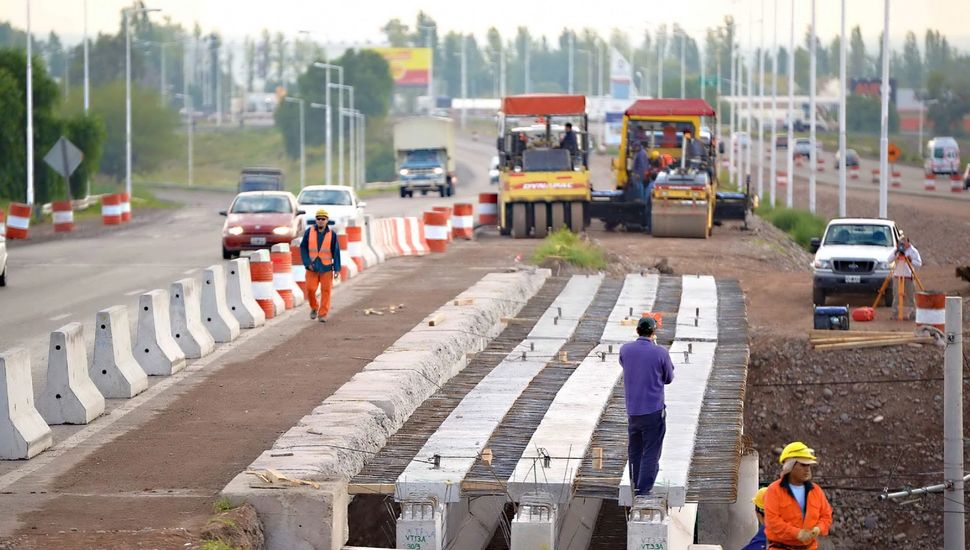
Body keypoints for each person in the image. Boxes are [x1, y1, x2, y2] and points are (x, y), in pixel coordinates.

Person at [619, 316, 675, 497]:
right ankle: (643, 491)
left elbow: (624, 363)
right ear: (653, 332)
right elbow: (668, 378)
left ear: (637, 331)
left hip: (633, 411)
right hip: (653, 411)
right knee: (651, 451)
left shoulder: (625, 350)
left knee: (635, 450)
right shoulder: (660, 353)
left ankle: (635, 484)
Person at [763, 442, 833, 550]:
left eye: (809, 465)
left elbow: (826, 516)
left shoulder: (816, 491)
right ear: (790, 466)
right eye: (803, 464)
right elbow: (773, 521)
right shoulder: (774, 490)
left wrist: (819, 528)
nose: (807, 469)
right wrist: (797, 533)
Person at [299, 209, 341, 323]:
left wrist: (337, 268)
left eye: (323, 219)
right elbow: (303, 247)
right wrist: (307, 263)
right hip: (312, 267)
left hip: (326, 268)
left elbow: (336, 251)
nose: (321, 221)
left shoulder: (332, 234)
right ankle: (314, 307)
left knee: (326, 291)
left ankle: (323, 314)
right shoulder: (309, 232)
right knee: (310, 289)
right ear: (316, 220)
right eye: (319, 219)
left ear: (327, 220)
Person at [887, 236, 922, 320]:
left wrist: (911, 260)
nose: (902, 244)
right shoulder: (897, 250)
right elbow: (889, 260)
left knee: (910, 296)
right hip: (897, 276)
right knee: (896, 296)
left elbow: (919, 264)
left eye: (904, 242)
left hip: (908, 276)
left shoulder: (913, 251)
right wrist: (896, 253)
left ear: (908, 242)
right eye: (901, 242)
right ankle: (895, 313)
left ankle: (912, 314)